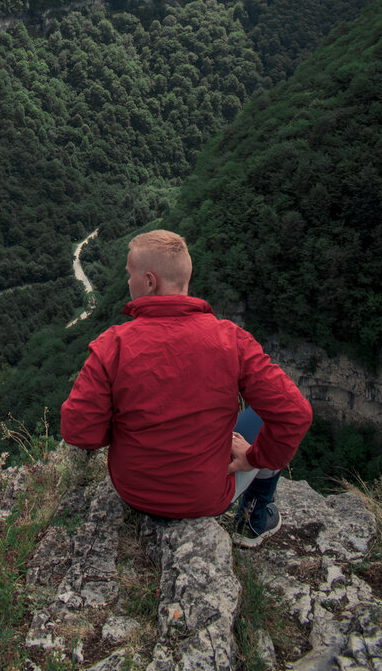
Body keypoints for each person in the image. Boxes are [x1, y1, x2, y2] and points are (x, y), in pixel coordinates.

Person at [60, 229, 312, 546]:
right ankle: (254, 521)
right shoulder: (231, 340)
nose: (127, 283)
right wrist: (253, 457)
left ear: (150, 282)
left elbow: (78, 431)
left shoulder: (113, 345)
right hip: (205, 497)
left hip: (135, 492)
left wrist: (130, 430)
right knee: (264, 417)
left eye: (130, 275)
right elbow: (295, 414)